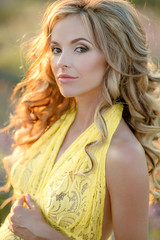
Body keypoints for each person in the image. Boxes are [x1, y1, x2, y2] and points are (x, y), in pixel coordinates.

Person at [0, 0, 160, 239]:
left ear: (115, 55)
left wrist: (39, 234)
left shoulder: (122, 153)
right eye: (56, 49)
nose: (61, 61)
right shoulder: (55, 120)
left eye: (81, 48)